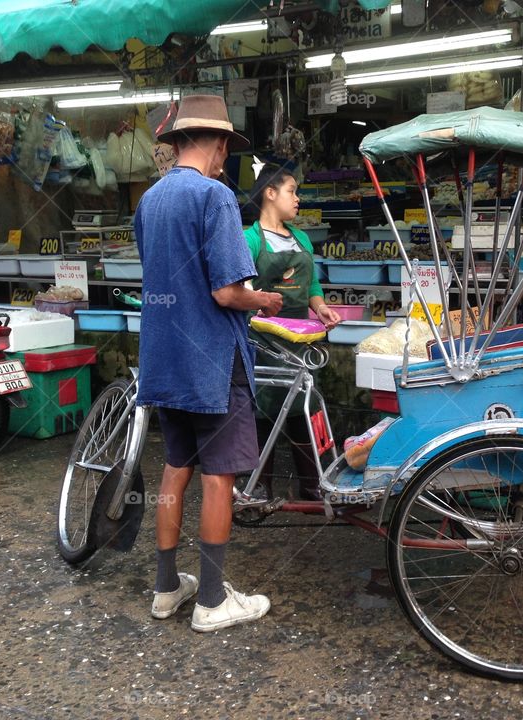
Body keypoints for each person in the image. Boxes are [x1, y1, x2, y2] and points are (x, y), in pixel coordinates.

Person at [133, 95, 283, 631]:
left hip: (164, 358)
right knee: (219, 477)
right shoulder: (214, 196)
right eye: (226, 148)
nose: (226, 158)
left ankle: (166, 589)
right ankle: (214, 600)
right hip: (212, 362)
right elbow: (226, 292)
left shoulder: (150, 200)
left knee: (176, 469)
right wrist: (262, 300)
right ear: (217, 144)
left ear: (175, 144)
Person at [243, 165, 341, 501]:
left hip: (301, 336)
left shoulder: (300, 238)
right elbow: (242, 288)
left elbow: (312, 283)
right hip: (264, 339)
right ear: (270, 193)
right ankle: (260, 486)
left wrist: (321, 307)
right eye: (292, 191)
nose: (298, 199)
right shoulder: (249, 239)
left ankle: (312, 485)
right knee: (264, 409)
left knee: (304, 404)